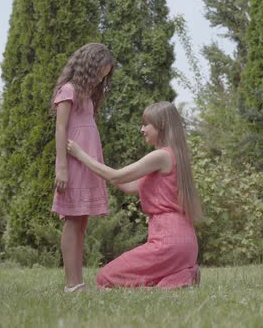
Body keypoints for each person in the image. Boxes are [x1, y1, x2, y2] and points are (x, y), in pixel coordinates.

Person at [67, 101, 202, 289]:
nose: (142, 129)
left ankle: (180, 278)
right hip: (185, 243)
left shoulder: (160, 156)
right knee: (129, 279)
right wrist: (96, 159)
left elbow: (115, 175)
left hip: (168, 242)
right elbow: (128, 185)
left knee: (105, 278)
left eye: (146, 124)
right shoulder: (174, 156)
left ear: (161, 125)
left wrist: (80, 154)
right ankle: (180, 277)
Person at [51, 43, 114, 293]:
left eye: (105, 76)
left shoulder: (88, 97)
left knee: (81, 221)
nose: (101, 79)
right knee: (72, 221)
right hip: (73, 163)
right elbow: (61, 130)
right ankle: (71, 284)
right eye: (100, 73)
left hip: (86, 162)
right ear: (89, 67)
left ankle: (78, 283)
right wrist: (61, 167)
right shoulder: (68, 91)